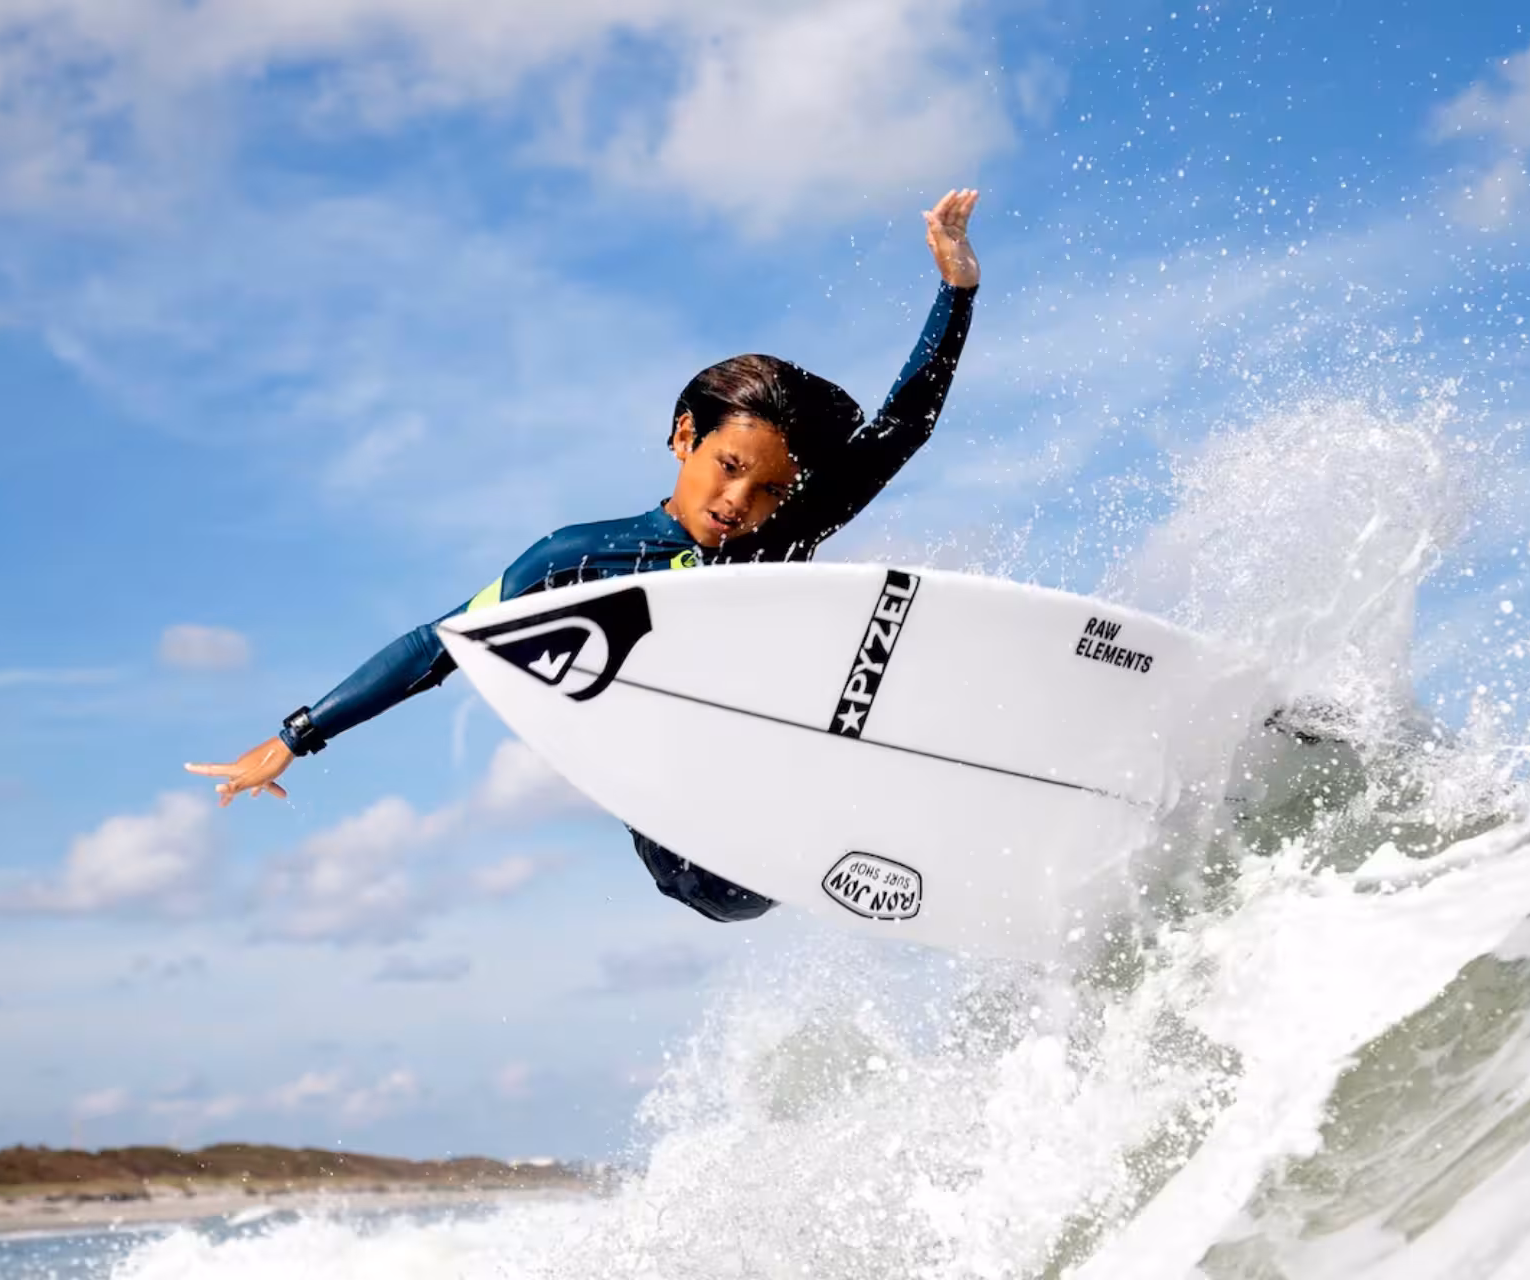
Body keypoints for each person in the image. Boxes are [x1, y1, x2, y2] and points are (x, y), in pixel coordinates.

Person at [187, 189, 983, 923]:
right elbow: (441, 646)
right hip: (692, 847)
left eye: (771, 491)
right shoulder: (577, 559)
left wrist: (956, 295)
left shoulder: (780, 533)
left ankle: (929, 817)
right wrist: (296, 735)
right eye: (730, 468)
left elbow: (901, 427)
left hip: (782, 781)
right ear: (684, 437)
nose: (743, 502)